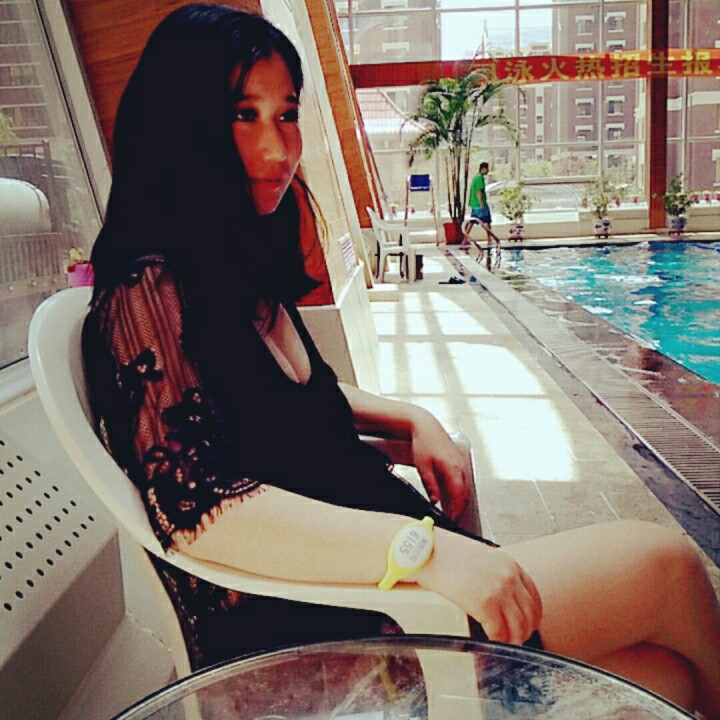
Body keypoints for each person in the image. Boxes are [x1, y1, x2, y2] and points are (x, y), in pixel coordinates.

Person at [82, 5, 720, 716]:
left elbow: (293, 401)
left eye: (287, 114)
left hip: (385, 595)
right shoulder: (146, 291)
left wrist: (415, 419)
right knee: (668, 568)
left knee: (667, 681)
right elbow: (198, 507)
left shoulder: (226, 271)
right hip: (338, 638)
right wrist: (425, 552)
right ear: (182, 125)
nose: (278, 147)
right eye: (243, 114)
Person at [464, 161, 499, 252]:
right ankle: (489, 240)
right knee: (487, 221)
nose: (488, 170)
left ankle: (465, 239)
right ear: (483, 169)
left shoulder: (476, 177)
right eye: (487, 169)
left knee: (472, 221)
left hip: (474, 204)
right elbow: (478, 192)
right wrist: (481, 204)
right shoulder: (479, 178)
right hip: (479, 204)